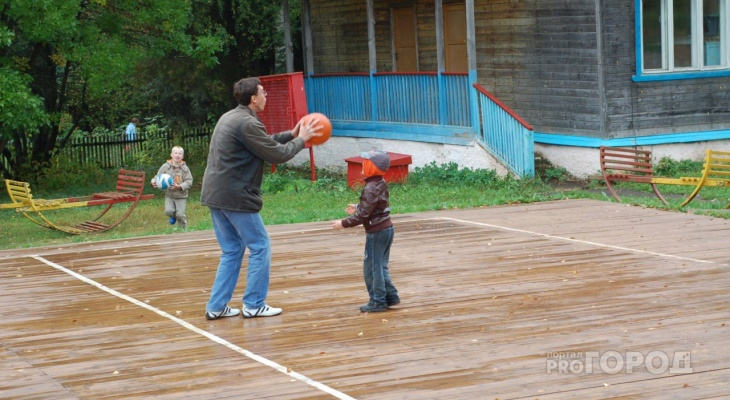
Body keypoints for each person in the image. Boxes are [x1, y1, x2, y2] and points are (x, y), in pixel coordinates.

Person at [201, 77, 322, 320]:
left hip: (216, 193)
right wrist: (302, 139)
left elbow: (263, 144)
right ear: (253, 98)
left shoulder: (232, 116)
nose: (266, 95)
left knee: (232, 250)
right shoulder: (246, 123)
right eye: (263, 92)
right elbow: (277, 155)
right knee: (260, 246)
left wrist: (291, 133)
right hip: (235, 195)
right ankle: (254, 304)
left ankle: (216, 307)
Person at [332, 150, 400, 313]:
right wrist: (357, 206)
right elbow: (377, 205)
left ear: (373, 167)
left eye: (366, 162)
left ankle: (377, 301)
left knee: (371, 268)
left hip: (377, 233)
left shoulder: (370, 187)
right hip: (387, 229)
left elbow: (363, 215)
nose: (363, 164)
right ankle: (390, 296)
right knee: (381, 266)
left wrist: (343, 223)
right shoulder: (380, 182)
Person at [151, 146, 193, 229]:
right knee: (168, 211)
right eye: (175, 153)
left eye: (180, 154)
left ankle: (182, 230)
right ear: (171, 154)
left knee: (180, 214)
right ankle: (173, 216)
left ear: (182, 156)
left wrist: (180, 186)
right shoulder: (165, 167)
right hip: (169, 195)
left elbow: (189, 181)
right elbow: (158, 177)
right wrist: (153, 182)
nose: (177, 155)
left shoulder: (185, 169)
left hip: (181, 196)